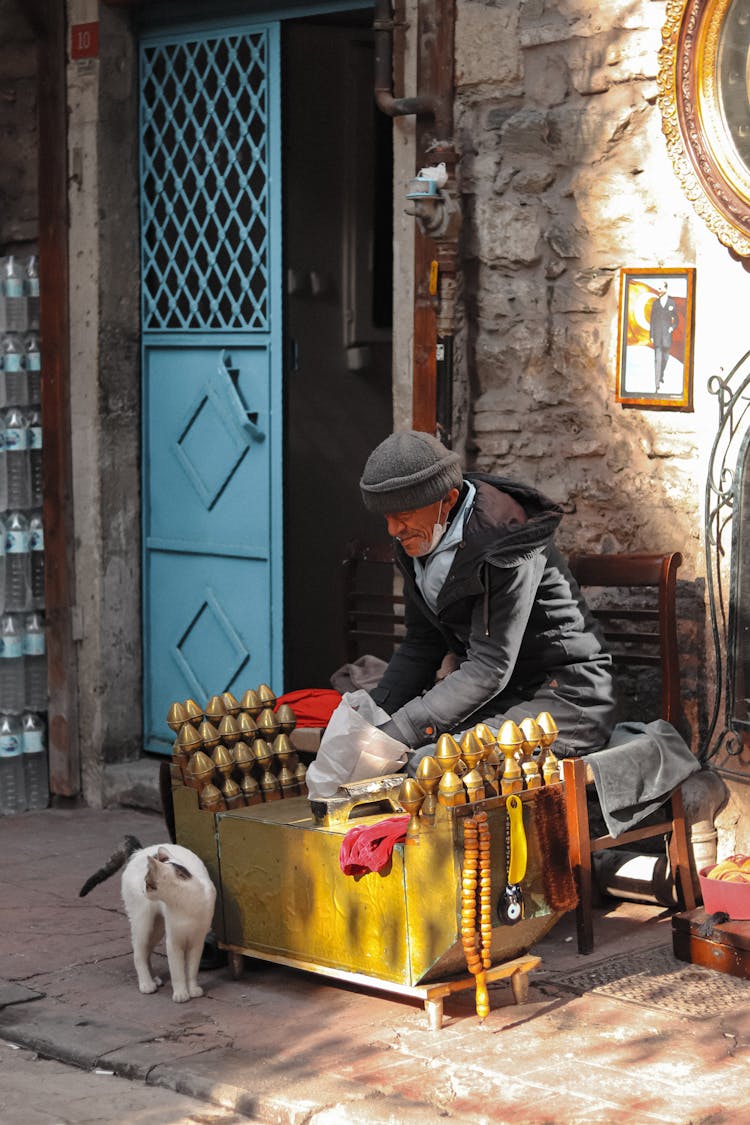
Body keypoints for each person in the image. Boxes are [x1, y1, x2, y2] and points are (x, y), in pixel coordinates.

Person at [359, 430, 617, 772]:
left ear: (448, 500)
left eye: (403, 514)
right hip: (505, 695)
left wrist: (400, 731)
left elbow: (490, 665)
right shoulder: (418, 541)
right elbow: (422, 644)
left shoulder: (504, 541)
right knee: (386, 753)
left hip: (568, 699)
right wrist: (372, 717)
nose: (393, 529)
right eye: (386, 516)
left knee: (427, 765)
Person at [649, 282, 678, 391]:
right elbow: (652, 320)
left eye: (660, 288)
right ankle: (657, 384)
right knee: (657, 360)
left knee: (665, 358)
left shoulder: (672, 303)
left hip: (667, 336)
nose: (658, 290)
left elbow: (676, 319)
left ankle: (661, 374)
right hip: (657, 335)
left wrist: (672, 327)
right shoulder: (655, 303)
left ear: (666, 289)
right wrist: (651, 334)